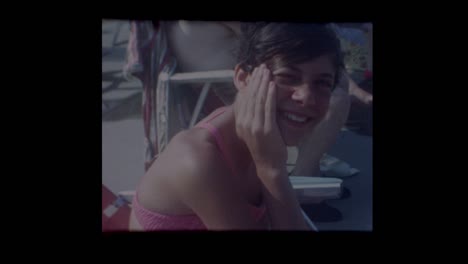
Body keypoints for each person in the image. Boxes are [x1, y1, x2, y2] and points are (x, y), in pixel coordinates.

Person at [129, 22, 345, 230]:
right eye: (287, 77)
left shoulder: (259, 138)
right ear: (243, 77)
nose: (307, 97)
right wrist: (271, 169)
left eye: (322, 83)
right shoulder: (197, 160)